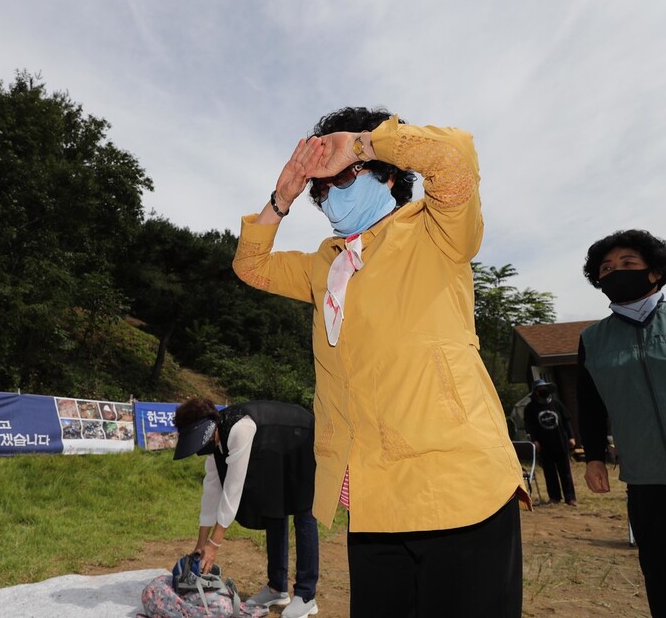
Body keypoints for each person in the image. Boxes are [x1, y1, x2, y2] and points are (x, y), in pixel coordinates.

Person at [231, 107, 527, 617]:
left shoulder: (436, 228)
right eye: (318, 190)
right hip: (372, 500)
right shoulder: (325, 263)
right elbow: (250, 265)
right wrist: (284, 197)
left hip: (460, 490)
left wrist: (362, 144)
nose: (327, 195)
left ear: (389, 176)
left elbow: (454, 156)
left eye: (340, 177)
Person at [577, 229, 666, 618]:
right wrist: (593, 457)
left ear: (654, 272)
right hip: (648, 482)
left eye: (628, 264)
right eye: (606, 268)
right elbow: (589, 404)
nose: (615, 272)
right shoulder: (592, 340)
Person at [173, 398, 319, 618]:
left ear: (208, 428)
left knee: (303, 511)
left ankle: (306, 595)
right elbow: (212, 490)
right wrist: (201, 543)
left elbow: (233, 490)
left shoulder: (239, 428)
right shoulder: (214, 443)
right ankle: (277, 588)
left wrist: (214, 545)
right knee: (273, 509)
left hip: (299, 437)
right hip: (272, 447)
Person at [523, 379, 578, 505]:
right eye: (540, 389)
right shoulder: (530, 408)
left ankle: (570, 497)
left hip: (560, 442)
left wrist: (571, 437)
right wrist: (534, 440)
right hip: (544, 445)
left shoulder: (557, 404)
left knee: (565, 472)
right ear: (535, 392)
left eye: (545, 388)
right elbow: (529, 426)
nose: (543, 391)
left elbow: (566, 421)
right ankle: (554, 497)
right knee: (549, 473)